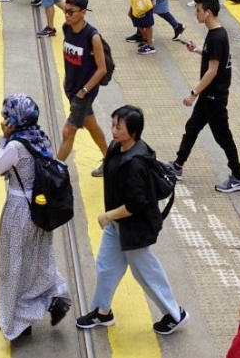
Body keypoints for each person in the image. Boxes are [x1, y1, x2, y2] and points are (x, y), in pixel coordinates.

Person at [75, 105, 188, 335]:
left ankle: (175, 314)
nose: (114, 130)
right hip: (119, 225)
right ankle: (102, 311)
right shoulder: (119, 147)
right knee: (106, 266)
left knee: (146, 273)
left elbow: (136, 205)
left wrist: (108, 215)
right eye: (113, 124)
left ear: (133, 132)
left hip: (134, 228)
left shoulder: (136, 163)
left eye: (119, 127)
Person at [0, 94, 72, 340]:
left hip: (19, 209)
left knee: (12, 264)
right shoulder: (40, 137)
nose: (4, 119)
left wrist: (2, 139)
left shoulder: (15, 145)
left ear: (15, 119)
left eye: (7, 116)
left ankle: (16, 321)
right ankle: (53, 295)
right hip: (40, 207)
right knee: (38, 257)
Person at [172, 0, 240, 192]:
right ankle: (177, 166)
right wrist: (198, 50)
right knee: (192, 128)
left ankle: (238, 176)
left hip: (215, 97)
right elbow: (216, 59)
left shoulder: (216, 37)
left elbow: (213, 70)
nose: (195, 13)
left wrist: (193, 93)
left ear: (208, 12)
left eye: (198, 10)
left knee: (223, 137)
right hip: (210, 96)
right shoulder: (216, 33)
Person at [56, 0, 109, 177]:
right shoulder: (67, 28)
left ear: (83, 12)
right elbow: (67, 54)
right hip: (71, 88)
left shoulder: (92, 37)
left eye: (71, 12)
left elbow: (101, 69)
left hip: (84, 92)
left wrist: (84, 90)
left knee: (68, 131)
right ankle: (110, 160)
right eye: (65, 11)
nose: (67, 15)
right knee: (91, 125)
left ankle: (53, 171)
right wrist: (66, 78)